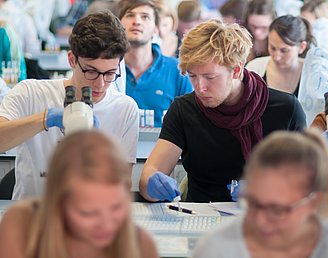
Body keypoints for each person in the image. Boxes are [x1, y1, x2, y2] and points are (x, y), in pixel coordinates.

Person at [139, 19, 306, 203]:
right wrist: (151, 185)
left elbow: (306, 182)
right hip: (197, 218)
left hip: (268, 217)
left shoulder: (286, 110)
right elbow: (150, 173)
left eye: (210, 77)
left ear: (236, 71)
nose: (200, 88)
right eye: (193, 76)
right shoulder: (184, 110)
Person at [0, 11, 139, 200]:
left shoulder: (125, 109)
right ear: (72, 59)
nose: (100, 84)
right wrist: (45, 119)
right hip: (32, 218)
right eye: (91, 71)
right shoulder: (30, 93)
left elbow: (121, 186)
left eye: (110, 74)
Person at [0, 130, 158, 258]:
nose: (106, 224)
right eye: (88, 213)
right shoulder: (22, 227)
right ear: (58, 203)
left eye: (116, 208)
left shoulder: (141, 245)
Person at [192, 129, 328, 258]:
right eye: (252, 203)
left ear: (314, 202)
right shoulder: (218, 249)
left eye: (276, 210)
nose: (260, 221)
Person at [119, 0, 192, 127]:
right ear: (119, 25)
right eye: (130, 15)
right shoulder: (107, 69)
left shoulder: (178, 70)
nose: (137, 21)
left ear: (156, 29)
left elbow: (189, 125)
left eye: (145, 17)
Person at [246, 15, 316, 97]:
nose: (276, 57)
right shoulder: (254, 68)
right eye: (272, 48)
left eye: (284, 51)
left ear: (301, 47)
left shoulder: (313, 74)